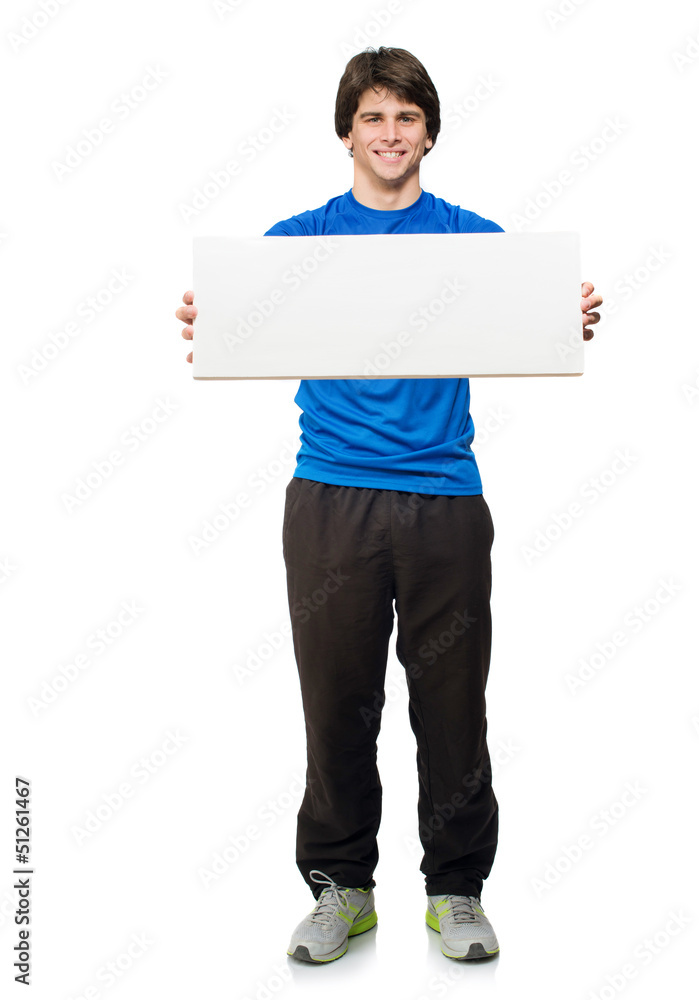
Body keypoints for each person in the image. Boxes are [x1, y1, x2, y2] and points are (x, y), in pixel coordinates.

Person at [176, 46, 602, 964]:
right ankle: (343, 889)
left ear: (429, 132)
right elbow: (231, 317)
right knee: (336, 703)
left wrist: (571, 314)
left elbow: (542, 314)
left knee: (453, 704)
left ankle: (455, 890)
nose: (390, 133)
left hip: (444, 499)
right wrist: (205, 319)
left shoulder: (472, 241)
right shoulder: (299, 241)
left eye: (406, 117)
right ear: (346, 132)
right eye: (373, 116)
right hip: (330, 497)